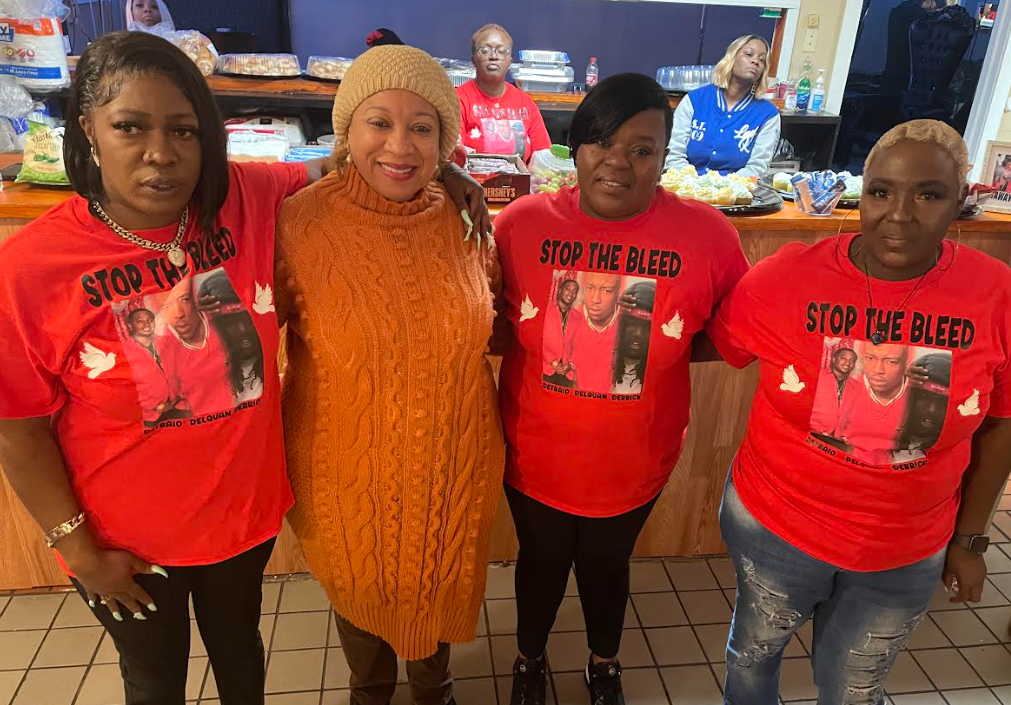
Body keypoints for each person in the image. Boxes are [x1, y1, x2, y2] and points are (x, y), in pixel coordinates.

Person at [0, 31, 490, 705]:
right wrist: (79, 550)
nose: (160, 153)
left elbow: (355, 159)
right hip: (128, 540)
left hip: (242, 522)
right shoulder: (33, 265)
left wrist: (450, 171)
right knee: (155, 683)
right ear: (88, 129)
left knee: (241, 662)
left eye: (183, 130)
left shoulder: (244, 200)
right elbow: (18, 427)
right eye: (130, 126)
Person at [706, 120, 1011, 703]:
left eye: (929, 194)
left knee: (854, 690)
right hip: (777, 526)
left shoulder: (996, 294)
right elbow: (723, 344)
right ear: (860, 193)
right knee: (753, 657)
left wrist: (972, 539)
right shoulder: (786, 276)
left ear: (960, 201)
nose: (899, 214)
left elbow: (1002, 424)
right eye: (880, 191)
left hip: (907, 547)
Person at [494, 72, 749, 705]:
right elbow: (493, 326)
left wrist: (665, 352)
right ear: (576, 146)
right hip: (534, 451)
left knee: (607, 565)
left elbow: (728, 331)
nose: (618, 162)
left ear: (664, 157)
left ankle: (603, 664)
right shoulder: (520, 224)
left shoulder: (708, 236)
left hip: (635, 457)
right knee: (541, 562)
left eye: (642, 149)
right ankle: (529, 661)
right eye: (602, 141)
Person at [275, 44, 505, 705]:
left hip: (452, 465)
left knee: (436, 582)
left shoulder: (467, 219)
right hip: (344, 467)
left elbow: (487, 321)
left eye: (422, 127)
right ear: (347, 130)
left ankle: (435, 691)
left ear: (444, 143)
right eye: (379, 122)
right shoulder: (298, 223)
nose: (399, 145)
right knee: (361, 588)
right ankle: (369, 691)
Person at [665, 34, 781, 178]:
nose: (755, 61)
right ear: (731, 58)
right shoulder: (694, 100)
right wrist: (693, 183)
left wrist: (726, 187)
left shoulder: (768, 114)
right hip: (686, 185)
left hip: (736, 189)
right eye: (749, 54)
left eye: (762, 60)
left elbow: (757, 167)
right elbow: (673, 154)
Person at [457, 23, 552, 163]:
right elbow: (454, 156)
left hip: (522, 177)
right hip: (470, 177)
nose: (493, 56)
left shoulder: (525, 103)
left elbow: (543, 157)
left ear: (510, 62)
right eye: (485, 50)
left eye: (501, 51)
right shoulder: (459, 99)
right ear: (473, 60)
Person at [893, 352, 951, 462]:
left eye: (944, 403)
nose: (932, 410)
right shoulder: (879, 433)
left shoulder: (953, 452)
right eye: (925, 398)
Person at [611, 281, 654, 395]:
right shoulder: (602, 362)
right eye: (632, 323)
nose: (638, 333)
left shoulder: (658, 376)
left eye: (647, 327)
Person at [810, 345, 858, 436]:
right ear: (834, 359)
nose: (848, 363)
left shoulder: (857, 387)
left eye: (852, 361)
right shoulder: (817, 376)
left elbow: (855, 416)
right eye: (843, 358)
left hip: (837, 438)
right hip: (813, 433)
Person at [542, 276, 580, 387]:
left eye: (574, 291)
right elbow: (538, 339)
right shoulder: (546, 310)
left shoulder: (578, 317)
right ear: (559, 290)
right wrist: (552, 361)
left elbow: (579, 345)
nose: (571, 294)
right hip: (546, 369)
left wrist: (570, 364)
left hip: (566, 374)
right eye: (568, 289)